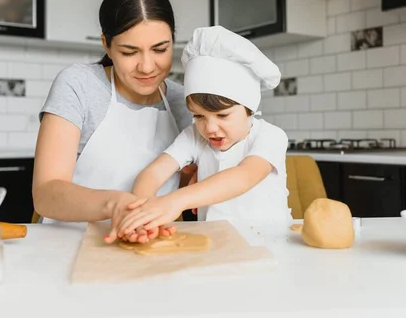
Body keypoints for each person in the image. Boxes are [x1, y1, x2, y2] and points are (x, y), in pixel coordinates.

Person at [32, 0, 195, 243]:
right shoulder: (79, 85)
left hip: (150, 249)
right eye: (130, 52)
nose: (147, 66)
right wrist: (115, 205)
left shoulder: (183, 100)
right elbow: (46, 193)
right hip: (66, 247)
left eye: (160, 49)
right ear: (106, 45)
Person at [106, 25, 292, 242]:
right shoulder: (194, 135)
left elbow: (243, 177)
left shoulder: (271, 136)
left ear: (249, 108)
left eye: (222, 115)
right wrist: (141, 215)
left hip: (269, 244)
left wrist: (174, 201)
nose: (210, 128)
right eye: (199, 116)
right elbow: (153, 174)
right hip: (214, 246)